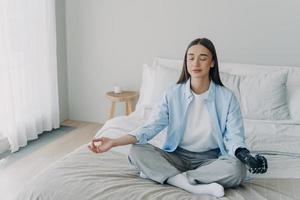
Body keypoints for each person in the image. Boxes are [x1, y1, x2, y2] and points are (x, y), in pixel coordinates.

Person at [89, 38, 268, 198]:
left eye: (203, 58)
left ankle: (169, 176)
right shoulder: (172, 93)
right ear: (186, 62)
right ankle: (193, 186)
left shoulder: (227, 97)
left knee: (237, 169)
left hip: (211, 159)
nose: (195, 62)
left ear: (212, 63)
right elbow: (150, 127)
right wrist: (114, 142)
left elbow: (234, 136)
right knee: (137, 151)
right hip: (177, 155)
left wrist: (245, 156)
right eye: (190, 57)